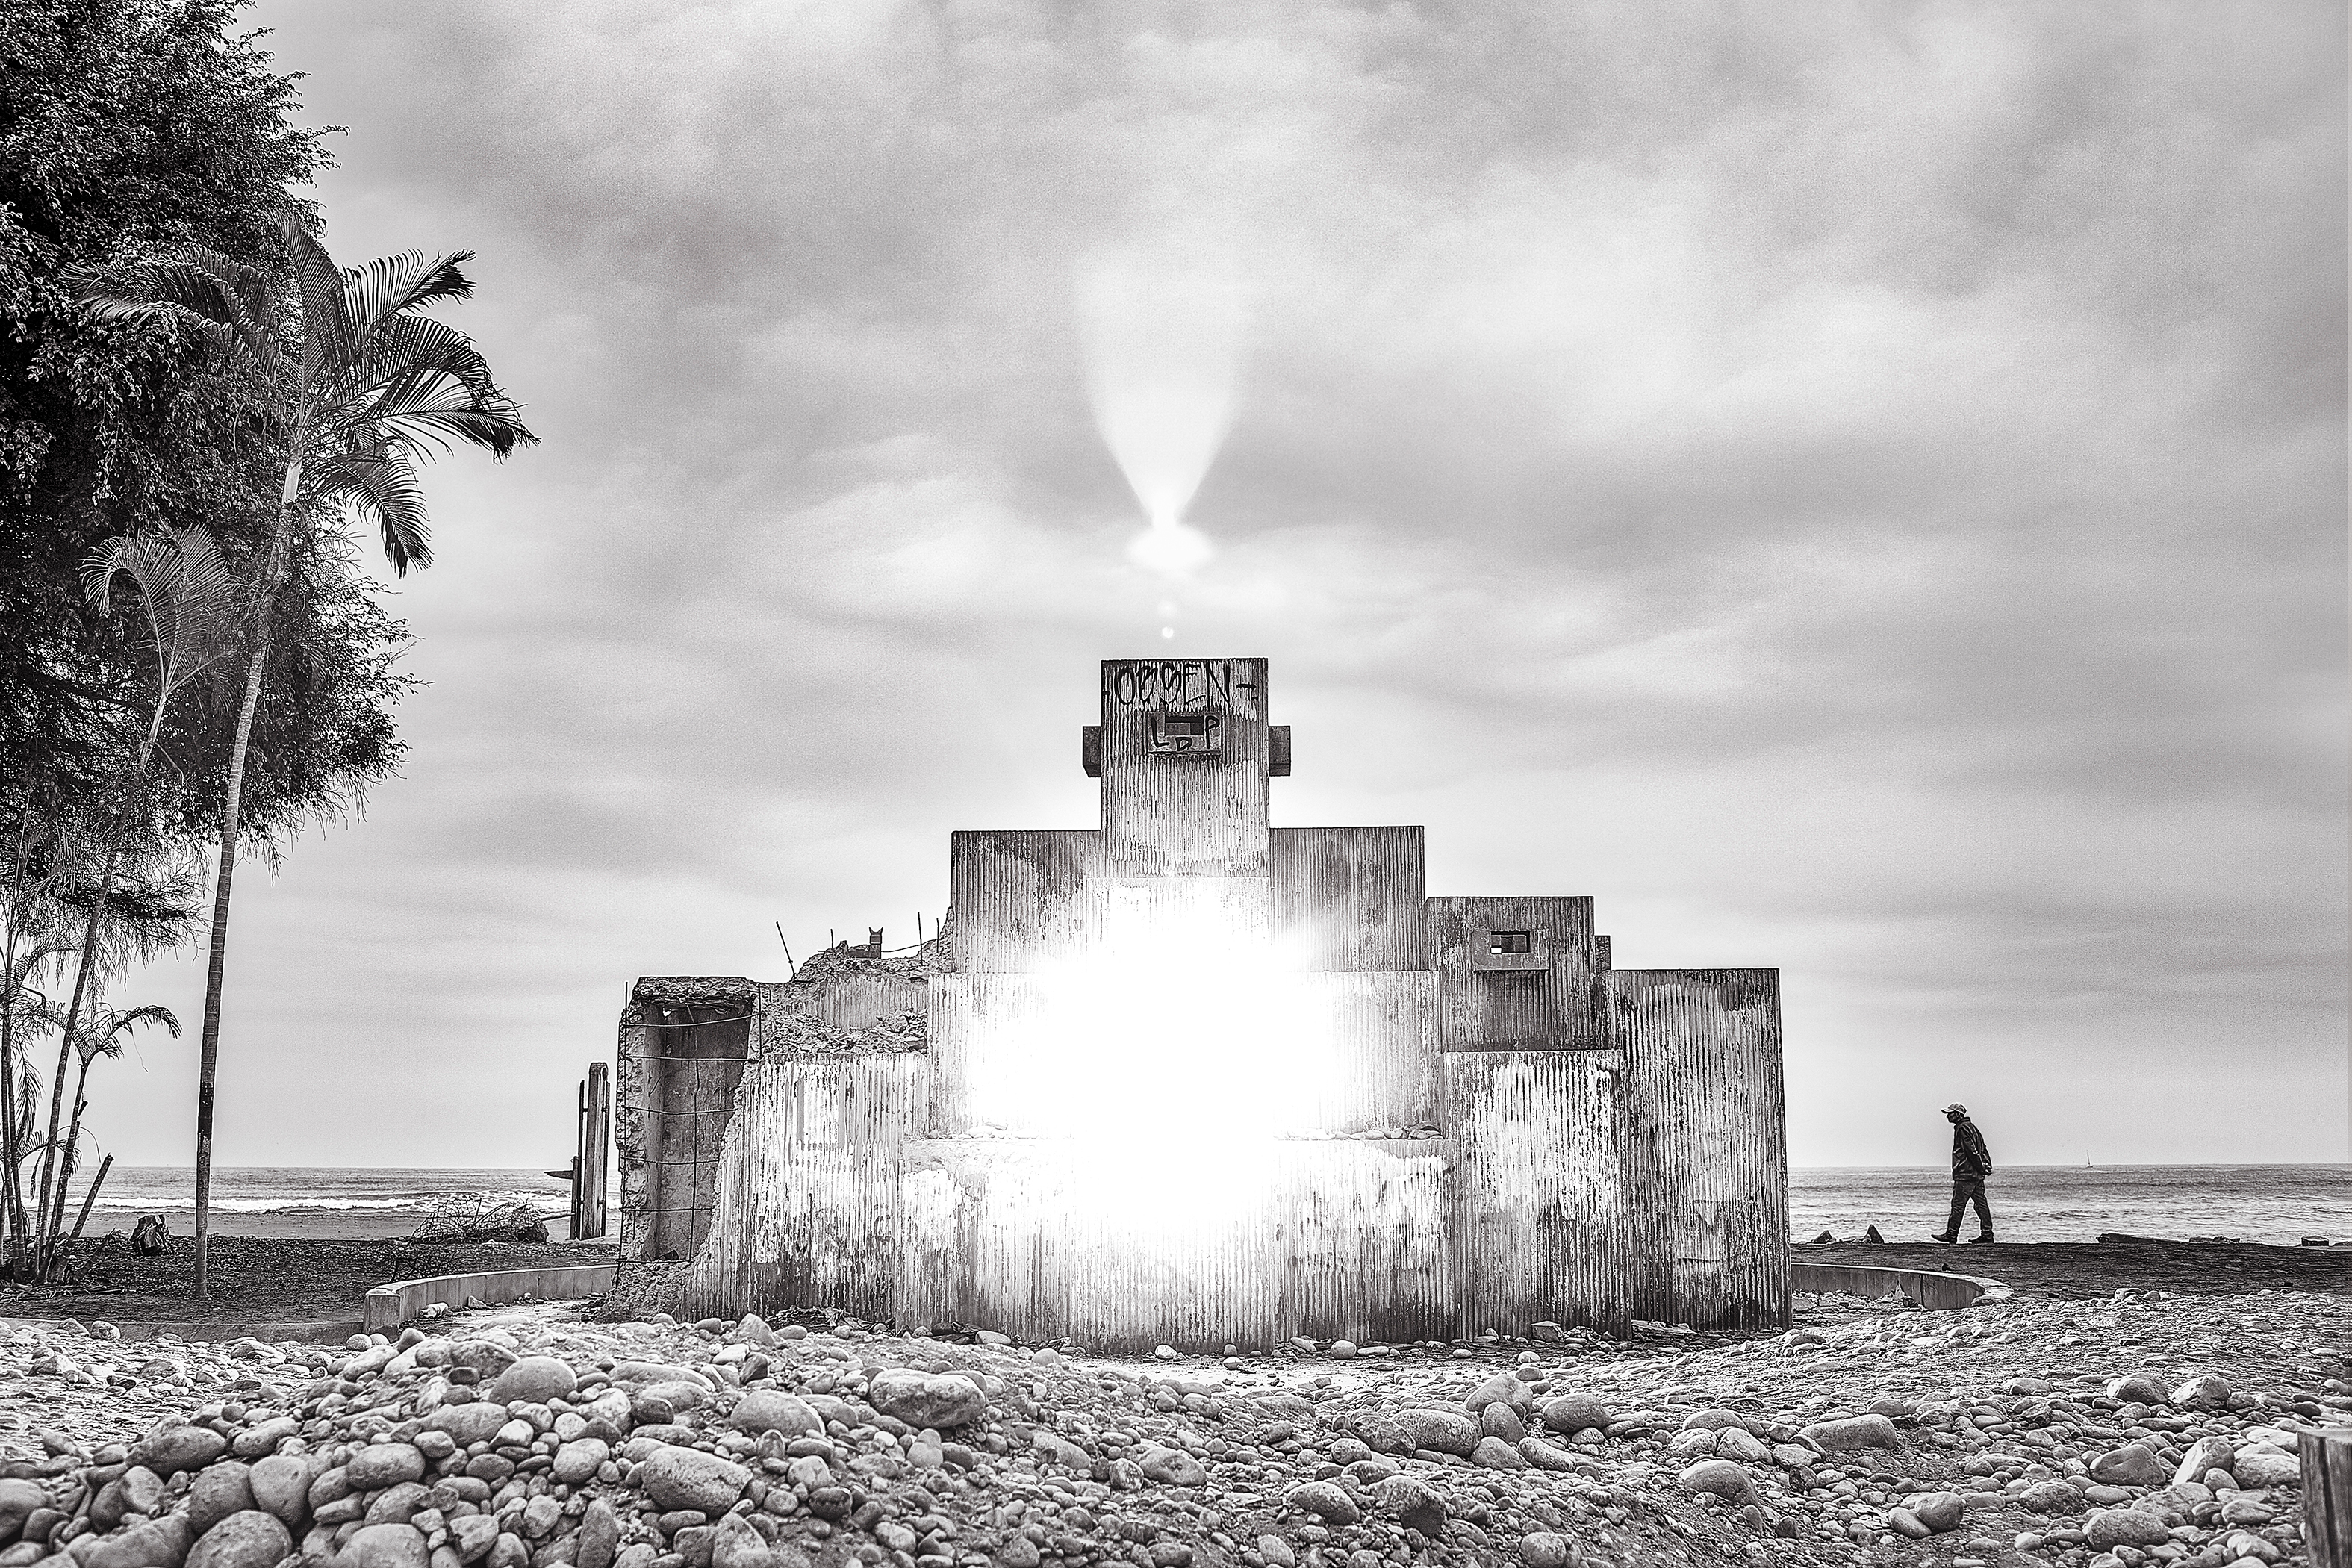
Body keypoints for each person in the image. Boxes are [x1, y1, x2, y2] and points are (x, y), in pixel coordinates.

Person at [1932, 1102, 1995, 1244]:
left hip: (1966, 1174)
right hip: (1976, 1175)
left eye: (1950, 1113)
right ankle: (1987, 1235)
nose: (1948, 1116)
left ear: (1958, 1115)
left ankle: (1952, 1234)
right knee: (1981, 1205)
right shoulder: (1973, 1128)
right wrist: (1986, 1166)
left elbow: (1971, 1151)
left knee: (1958, 1205)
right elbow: (1982, 1148)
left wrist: (1980, 1166)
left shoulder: (1962, 1129)